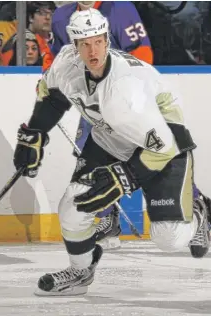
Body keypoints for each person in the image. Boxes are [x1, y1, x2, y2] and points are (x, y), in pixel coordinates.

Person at [13, 8, 211, 296]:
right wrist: (33, 134)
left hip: (162, 143)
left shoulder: (123, 95)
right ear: (73, 46)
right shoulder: (65, 64)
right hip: (110, 137)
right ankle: (81, 271)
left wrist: (124, 177)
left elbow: (165, 148)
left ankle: (201, 211)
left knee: (168, 238)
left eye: (97, 41)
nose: (92, 50)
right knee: (73, 206)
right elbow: (53, 98)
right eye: (84, 43)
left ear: (107, 40)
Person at [50, 1, 155, 246]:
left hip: (124, 99)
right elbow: (57, 58)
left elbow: (142, 52)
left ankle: (193, 205)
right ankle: (107, 218)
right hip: (93, 104)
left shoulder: (119, 9)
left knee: (152, 157)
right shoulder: (61, 16)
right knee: (90, 156)